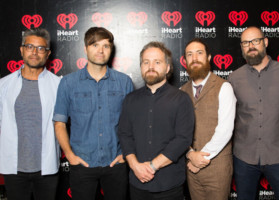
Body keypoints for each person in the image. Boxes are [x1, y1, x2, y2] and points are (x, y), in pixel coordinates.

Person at [53, 27, 133, 200]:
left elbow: (133, 123)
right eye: (95, 45)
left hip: (116, 164)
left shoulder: (124, 82)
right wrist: (70, 155)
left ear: (111, 50)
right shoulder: (68, 83)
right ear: (85, 48)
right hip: (82, 165)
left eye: (106, 46)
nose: (101, 50)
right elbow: (59, 123)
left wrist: (126, 154)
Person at [228, 26, 279, 200]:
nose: (251, 46)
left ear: (265, 42)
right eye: (245, 43)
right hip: (244, 158)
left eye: (255, 41)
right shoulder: (233, 78)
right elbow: (231, 118)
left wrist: (276, 132)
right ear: (241, 47)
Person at [118, 41, 195, 200]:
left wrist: (151, 167)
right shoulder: (130, 100)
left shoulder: (181, 99)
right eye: (146, 62)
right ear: (140, 67)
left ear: (167, 68)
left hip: (169, 185)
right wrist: (135, 166)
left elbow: (182, 139)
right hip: (137, 184)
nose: (150, 66)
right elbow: (124, 135)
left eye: (157, 62)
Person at [0, 28, 60, 200]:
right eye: (29, 46)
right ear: (21, 50)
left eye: (40, 48)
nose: (34, 52)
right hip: (14, 169)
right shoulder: (3, 86)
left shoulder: (59, 85)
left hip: (47, 168)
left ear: (48, 54)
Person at [181, 38, 236, 200]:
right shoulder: (181, 91)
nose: (195, 58)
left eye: (199, 53)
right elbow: (178, 130)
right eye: (190, 55)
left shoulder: (224, 87)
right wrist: (190, 154)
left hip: (216, 168)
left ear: (209, 58)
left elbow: (225, 130)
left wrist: (199, 159)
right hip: (190, 168)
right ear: (185, 61)